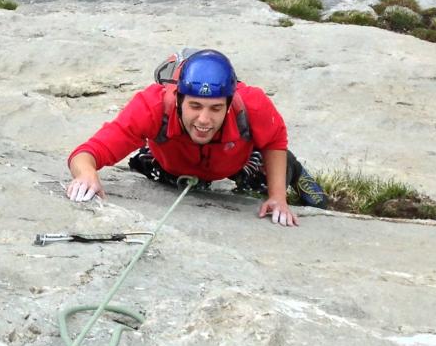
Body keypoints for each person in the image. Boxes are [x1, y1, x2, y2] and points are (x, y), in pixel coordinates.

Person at [63, 49, 325, 228]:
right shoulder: (152, 107)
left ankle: (293, 170)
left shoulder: (252, 105)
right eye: (195, 106)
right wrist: (86, 174)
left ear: (229, 103)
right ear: (178, 99)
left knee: (257, 179)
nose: (204, 119)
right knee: (146, 165)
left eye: (216, 108)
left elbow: (274, 140)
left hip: (236, 161)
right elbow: (87, 153)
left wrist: (278, 196)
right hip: (173, 166)